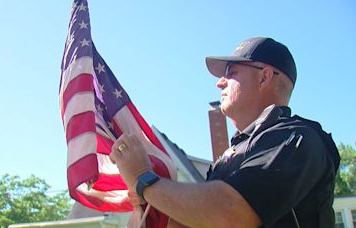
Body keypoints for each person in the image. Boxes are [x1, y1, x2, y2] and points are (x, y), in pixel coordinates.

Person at [110, 37, 340, 227]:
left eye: (231, 72)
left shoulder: (298, 138)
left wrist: (145, 180)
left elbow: (230, 214)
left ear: (264, 77)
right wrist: (149, 204)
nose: (220, 83)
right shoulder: (228, 160)